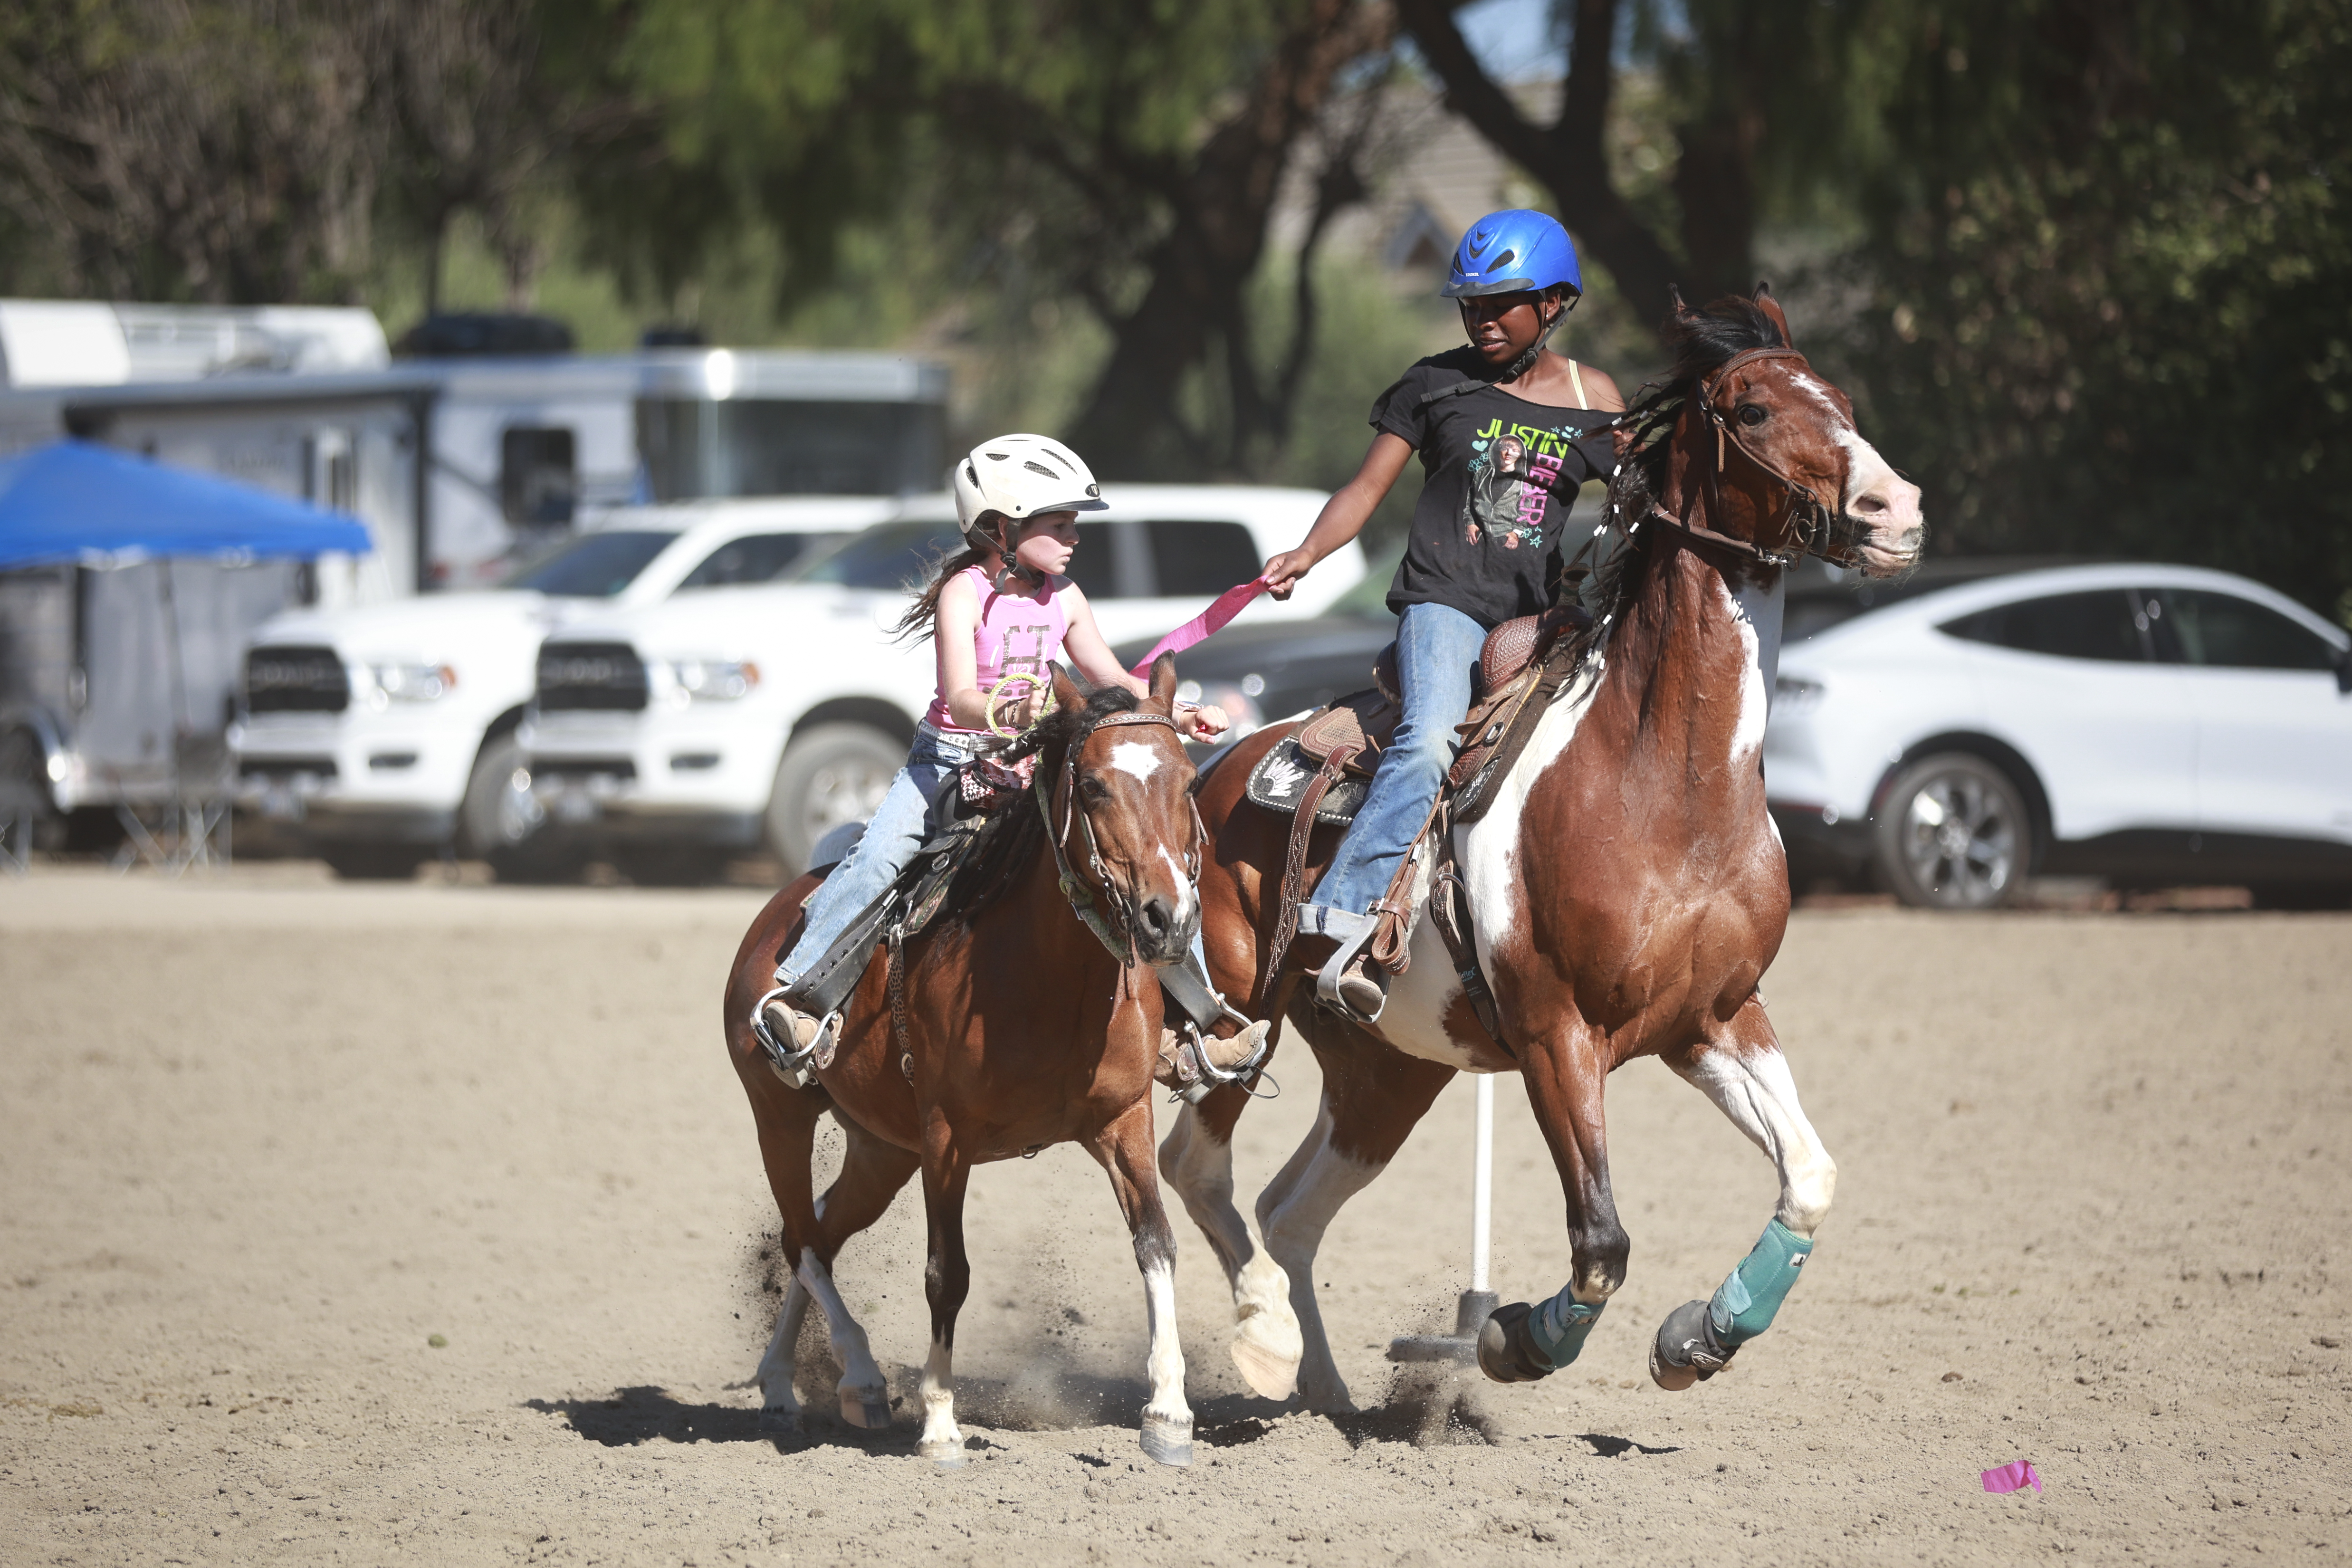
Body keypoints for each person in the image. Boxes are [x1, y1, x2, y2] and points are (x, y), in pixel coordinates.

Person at [759, 433, 1269, 1090]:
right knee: (879, 859)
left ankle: (1199, 1028)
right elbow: (964, 699)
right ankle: (801, 999)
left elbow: (1113, 679)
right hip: (944, 766)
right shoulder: (963, 595)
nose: (1074, 537)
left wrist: (1176, 712)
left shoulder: (1066, 598)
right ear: (1002, 528)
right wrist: (1019, 711)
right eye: (1059, 524)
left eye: (1073, 524)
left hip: (1031, 775)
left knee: (1153, 867)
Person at [1259, 210, 1626, 1022]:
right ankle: (1342, 920)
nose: (1482, 320)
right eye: (1471, 305)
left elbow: (1637, 504)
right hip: (1444, 606)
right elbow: (1364, 489)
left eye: (1502, 304)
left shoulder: (1592, 398)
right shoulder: (1433, 384)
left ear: (1556, 302)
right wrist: (1307, 554)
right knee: (1428, 740)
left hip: (1538, 626)